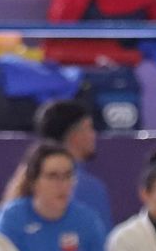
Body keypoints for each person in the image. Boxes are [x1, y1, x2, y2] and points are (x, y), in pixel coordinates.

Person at [34, 100, 112, 235]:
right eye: (89, 128)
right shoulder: (90, 188)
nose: (94, 135)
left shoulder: (24, 180)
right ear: (75, 135)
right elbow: (103, 240)